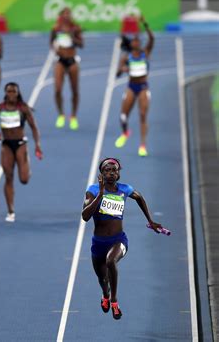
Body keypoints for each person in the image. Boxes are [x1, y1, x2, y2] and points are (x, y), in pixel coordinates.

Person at [81, 158, 162, 319]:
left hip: (119, 240)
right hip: (98, 243)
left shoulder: (125, 189)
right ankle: (106, 294)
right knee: (102, 279)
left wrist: (150, 221)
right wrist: (100, 195)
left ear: (118, 173)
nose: (111, 173)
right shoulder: (93, 190)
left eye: (114, 170)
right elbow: (85, 216)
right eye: (107, 170)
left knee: (111, 261)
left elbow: (139, 198)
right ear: (101, 174)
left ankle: (114, 301)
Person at [0, 82, 43, 222]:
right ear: (5, 93)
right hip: (6, 144)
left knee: (24, 179)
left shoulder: (23, 108)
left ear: (17, 93)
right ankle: (10, 210)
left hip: (20, 144)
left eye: (14, 92)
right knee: (8, 176)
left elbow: (34, 127)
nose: (12, 94)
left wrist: (37, 145)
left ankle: (26, 163)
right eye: (9, 91)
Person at [114, 16, 154, 157]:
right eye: (134, 40)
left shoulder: (145, 52)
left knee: (143, 115)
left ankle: (142, 145)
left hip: (143, 87)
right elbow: (117, 74)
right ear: (131, 44)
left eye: (138, 40)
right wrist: (122, 70)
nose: (136, 42)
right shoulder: (126, 57)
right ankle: (125, 132)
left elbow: (152, 38)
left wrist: (144, 23)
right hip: (131, 86)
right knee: (123, 116)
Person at [50, 7, 83, 130]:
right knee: (57, 90)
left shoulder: (76, 28)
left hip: (72, 61)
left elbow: (82, 44)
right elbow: (51, 41)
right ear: (60, 16)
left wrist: (73, 36)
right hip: (60, 61)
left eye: (68, 14)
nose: (66, 16)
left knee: (74, 90)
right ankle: (61, 115)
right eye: (64, 14)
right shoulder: (56, 28)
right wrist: (55, 49)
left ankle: (73, 116)